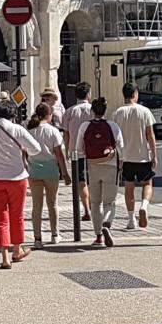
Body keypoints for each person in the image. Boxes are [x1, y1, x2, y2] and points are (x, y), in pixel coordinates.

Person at [0, 99, 41, 269]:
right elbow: (36, 149)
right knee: (16, 215)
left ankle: (4, 257)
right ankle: (17, 250)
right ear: (12, 114)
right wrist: (22, 149)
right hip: (17, 178)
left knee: (0, 217)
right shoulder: (18, 129)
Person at [75, 98, 124, 247]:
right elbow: (121, 148)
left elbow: (78, 149)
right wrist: (120, 161)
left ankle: (98, 237)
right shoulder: (112, 126)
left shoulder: (84, 126)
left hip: (92, 167)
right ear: (105, 110)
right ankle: (106, 224)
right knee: (110, 202)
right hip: (110, 167)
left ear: (92, 111)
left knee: (95, 203)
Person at [114, 82, 158, 230]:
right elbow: (150, 134)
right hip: (143, 156)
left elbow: (114, 136)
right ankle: (144, 206)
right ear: (136, 94)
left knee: (128, 188)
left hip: (125, 158)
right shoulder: (144, 111)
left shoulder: (117, 113)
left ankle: (131, 219)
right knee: (147, 183)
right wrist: (154, 155)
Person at [26, 102, 70, 248]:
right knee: (52, 204)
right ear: (49, 115)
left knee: (36, 206)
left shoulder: (30, 131)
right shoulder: (53, 131)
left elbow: (24, 151)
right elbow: (59, 154)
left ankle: (37, 238)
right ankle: (54, 234)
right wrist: (65, 173)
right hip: (51, 171)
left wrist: (26, 164)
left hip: (34, 172)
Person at [60, 82, 93, 221]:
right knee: (93, 182)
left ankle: (87, 209)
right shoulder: (92, 109)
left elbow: (66, 134)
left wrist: (67, 149)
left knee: (81, 182)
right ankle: (93, 207)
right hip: (93, 152)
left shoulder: (69, 111)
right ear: (88, 94)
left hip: (75, 152)